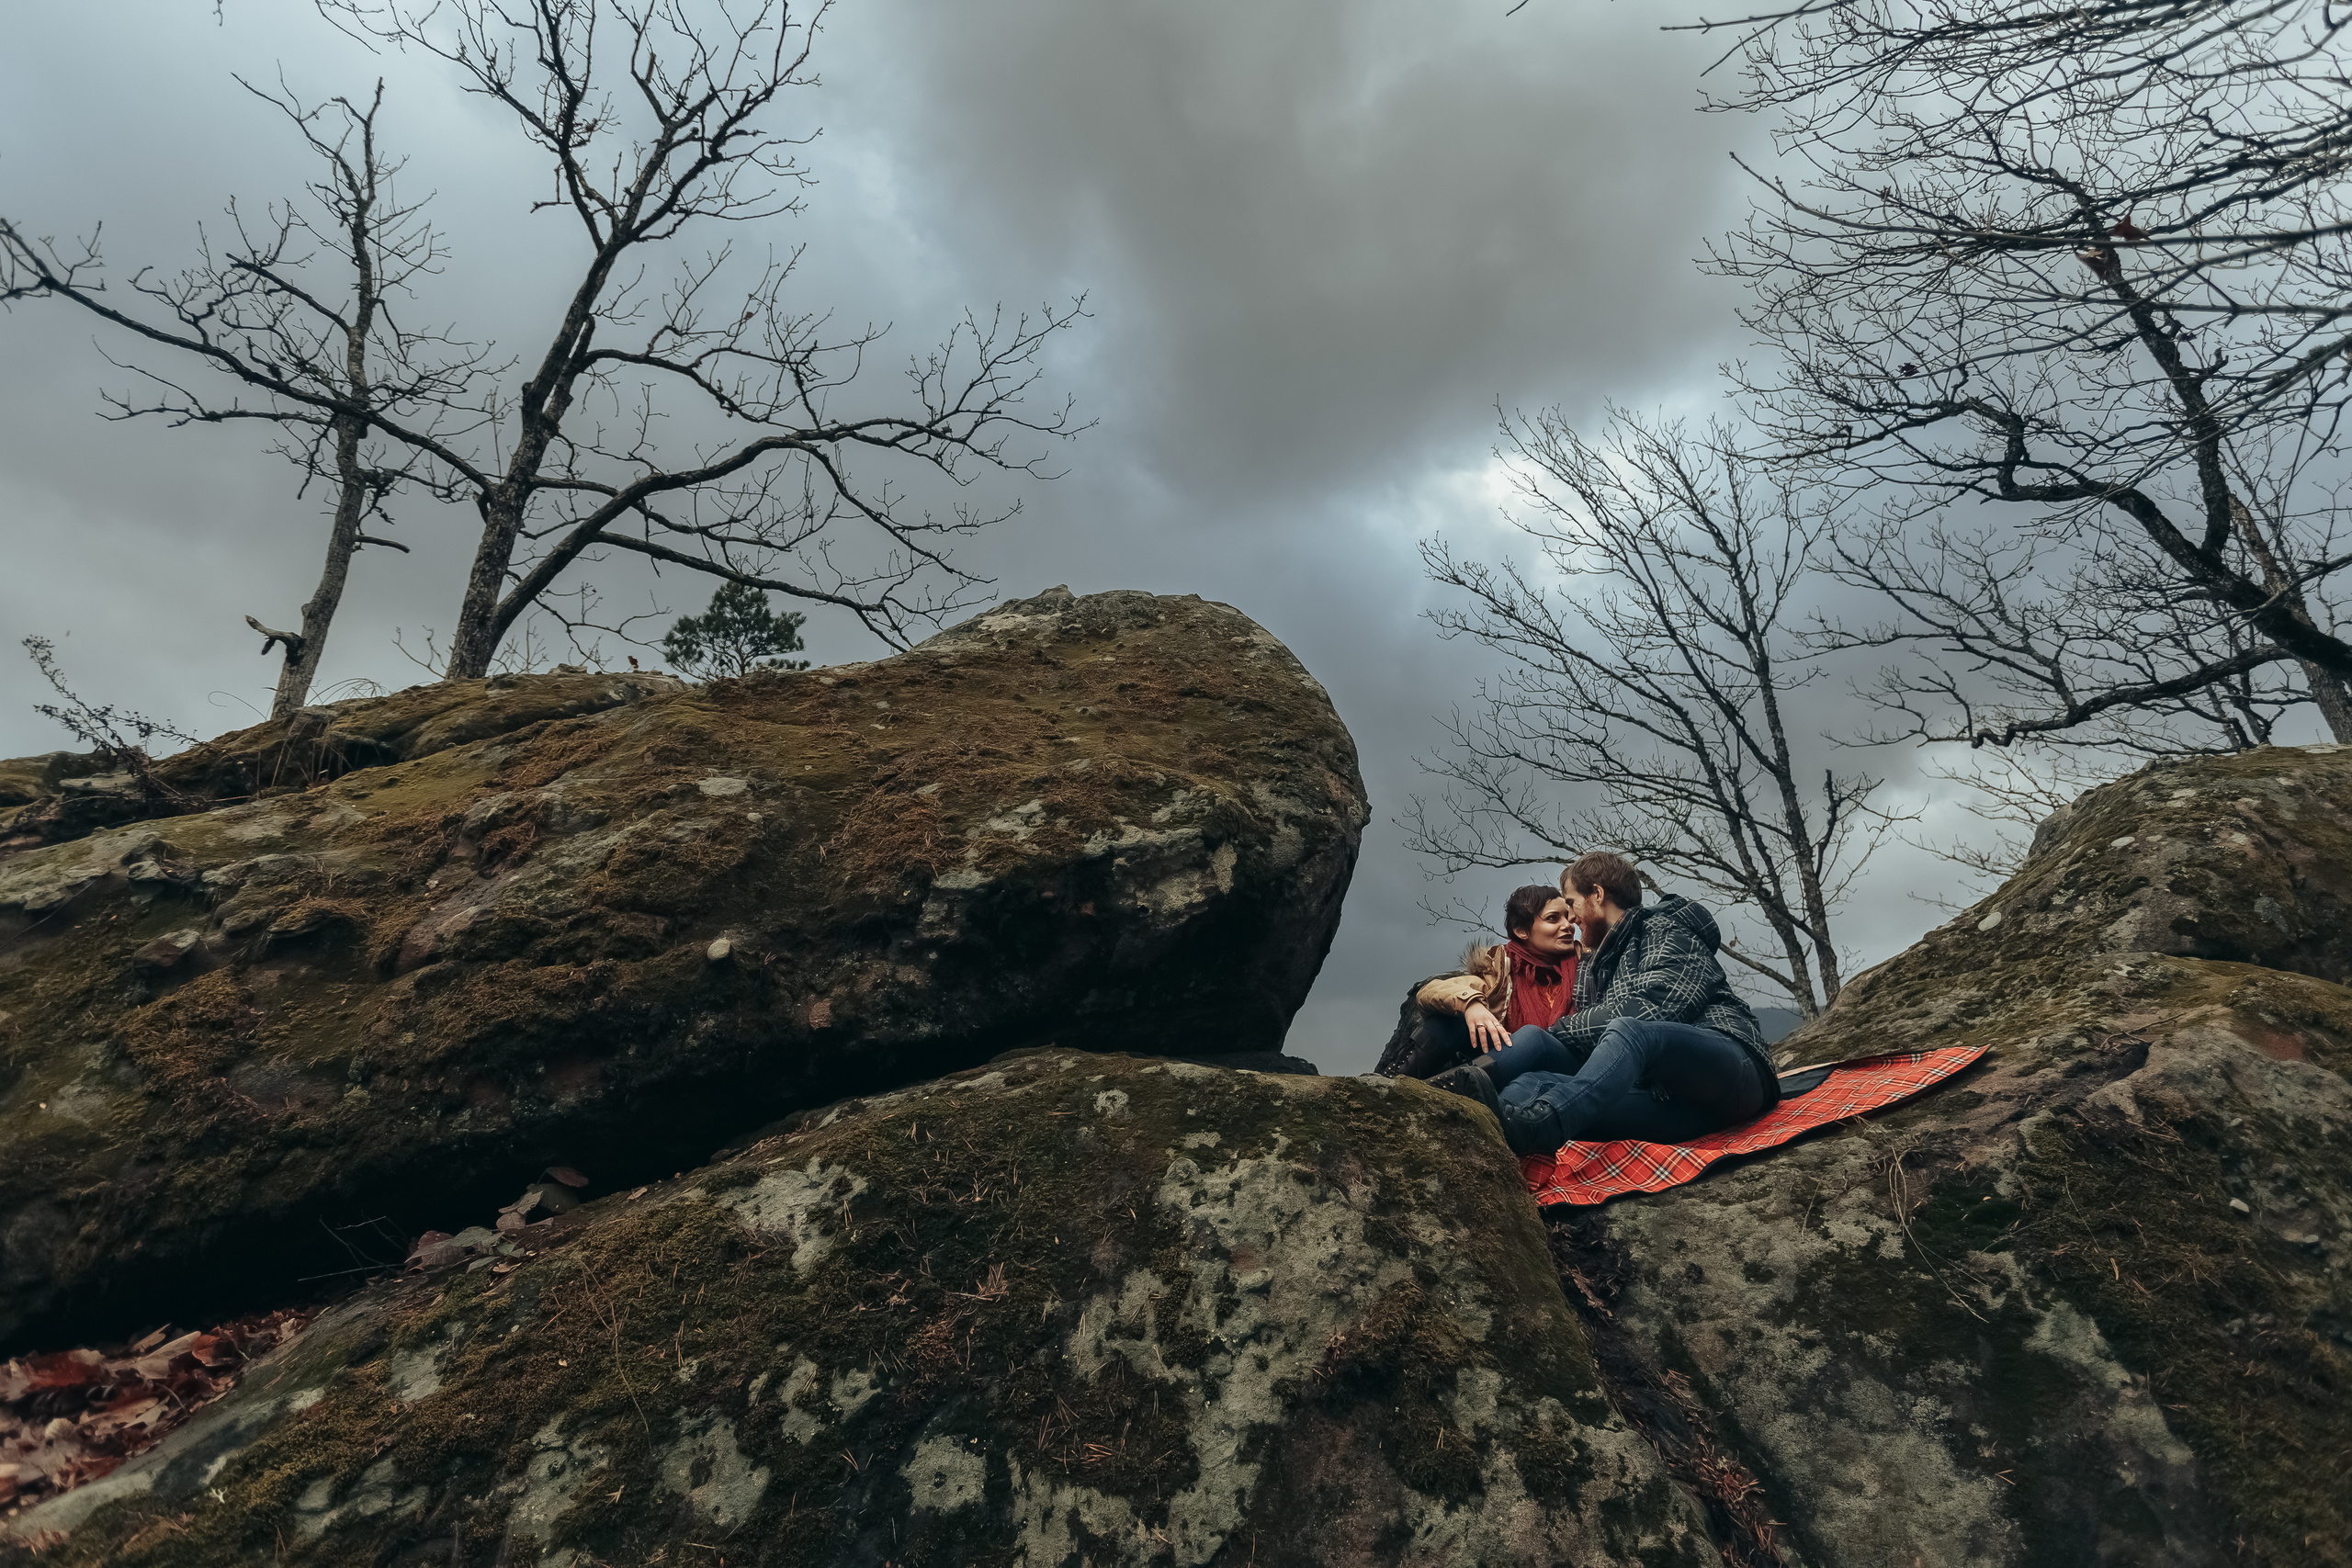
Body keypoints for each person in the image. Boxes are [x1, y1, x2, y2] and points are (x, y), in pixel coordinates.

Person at [1433, 852, 1778, 1155]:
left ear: (1597, 895)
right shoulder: (1593, 965)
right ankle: (1453, 1107)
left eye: (1571, 904)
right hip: (1673, 1105)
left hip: (1732, 1077)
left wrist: (1559, 1030)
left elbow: (1654, 1010)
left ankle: (1543, 1126)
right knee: (1533, 1074)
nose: (1571, 919)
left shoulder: (1665, 929)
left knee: (1630, 1030)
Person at [1374, 884, 1581, 1080]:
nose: (1568, 925)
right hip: (1508, 1063)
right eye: (1553, 919)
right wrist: (1471, 1005)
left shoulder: (1586, 966)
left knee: (1533, 1037)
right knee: (1453, 1017)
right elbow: (1430, 992)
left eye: (1568, 916)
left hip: (1569, 1065)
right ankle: (1393, 1081)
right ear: (1521, 930)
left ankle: (1456, 1086)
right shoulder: (1500, 974)